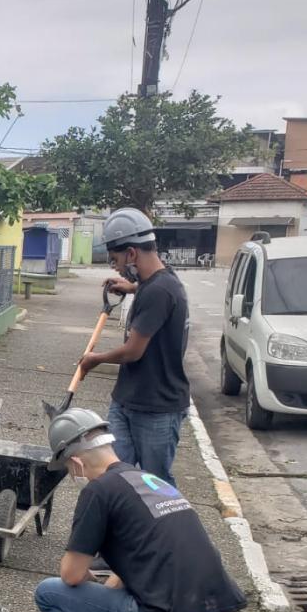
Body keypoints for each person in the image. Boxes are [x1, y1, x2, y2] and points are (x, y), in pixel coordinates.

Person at [34, 408, 245, 612]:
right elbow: (148, 555)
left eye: (68, 467)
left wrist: (95, 593)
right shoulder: (148, 480)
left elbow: (71, 575)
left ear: (75, 463)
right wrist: (110, 591)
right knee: (172, 579)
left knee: (49, 593)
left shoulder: (98, 491)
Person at [78, 206, 191, 487]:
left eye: (116, 258)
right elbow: (154, 287)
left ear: (131, 253)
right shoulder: (161, 281)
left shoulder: (159, 291)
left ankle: (165, 531)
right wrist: (131, 287)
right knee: (114, 476)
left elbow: (133, 351)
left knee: (156, 482)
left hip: (157, 407)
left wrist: (94, 359)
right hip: (127, 399)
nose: (114, 266)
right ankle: (122, 529)